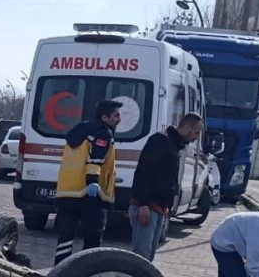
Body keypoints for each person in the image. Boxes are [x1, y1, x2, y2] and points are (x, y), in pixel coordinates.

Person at [128, 113, 205, 261]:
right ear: (187, 128)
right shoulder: (161, 141)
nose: (196, 138)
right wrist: (143, 204)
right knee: (140, 258)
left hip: (159, 208)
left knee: (148, 258)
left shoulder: (174, 145)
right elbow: (144, 172)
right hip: (148, 206)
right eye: (196, 132)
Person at [54, 99, 121, 264]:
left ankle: (60, 269)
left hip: (66, 192)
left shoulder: (78, 132)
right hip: (89, 195)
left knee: (65, 238)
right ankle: (85, 272)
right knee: (92, 239)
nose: (119, 119)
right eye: (116, 115)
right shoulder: (103, 134)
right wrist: (93, 181)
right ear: (104, 118)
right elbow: (95, 160)